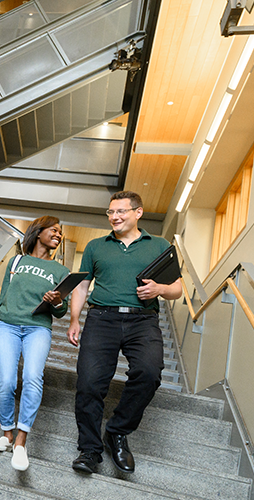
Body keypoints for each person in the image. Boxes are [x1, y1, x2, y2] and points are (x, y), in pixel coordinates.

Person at [67, 191, 182, 475]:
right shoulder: (96, 246)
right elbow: (82, 287)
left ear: (138, 212)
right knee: (90, 382)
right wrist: (74, 319)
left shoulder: (159, 245)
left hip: (142, 320)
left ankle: (117, 431)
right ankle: (90, 450)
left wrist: (160, 289)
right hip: (101, 318)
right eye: (110, 212)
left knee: (149, 371)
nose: (114, 217)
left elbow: (178, 288)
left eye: (120, 212)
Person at [0, 216, 70, 471]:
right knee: (6, 381)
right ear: (38, 232)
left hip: (38, 328)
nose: (58, 235)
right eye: (53, 230)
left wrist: (56, 300)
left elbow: (61, 311)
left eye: (60, 233)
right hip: (7, 326)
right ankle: (6, 434)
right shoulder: (16, 261)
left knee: (33, 377)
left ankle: (21, 442)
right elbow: (4, 295)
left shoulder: (61, 271)